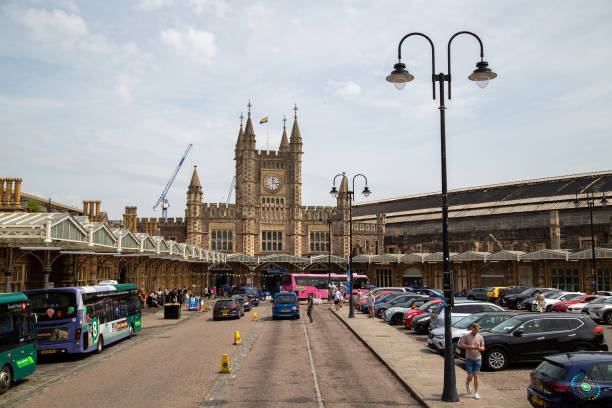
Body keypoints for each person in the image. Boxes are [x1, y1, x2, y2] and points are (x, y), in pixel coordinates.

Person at [459, 322, 485, 399]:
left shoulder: (480, 337)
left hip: (478, 358)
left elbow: (483, 347)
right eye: (475, 330)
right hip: (469, 358)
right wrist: (470, 346)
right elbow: (461, 344)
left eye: (477, 330)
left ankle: (476, 392)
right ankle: (467, 383)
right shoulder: (466, 336)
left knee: (476, 375)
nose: (476, 331)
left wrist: (480, 348)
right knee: (470, 375)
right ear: (472, 329)